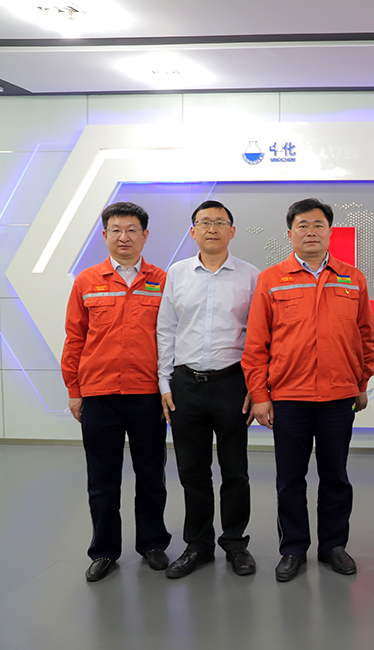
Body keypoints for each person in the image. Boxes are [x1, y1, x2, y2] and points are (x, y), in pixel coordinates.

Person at [242, 198, 374, 582]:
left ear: (330, 232)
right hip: (289, 397)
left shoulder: (352, 278)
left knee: (336, 477)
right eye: (303, 226)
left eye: (318, 225)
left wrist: (361, 382)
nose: (311, 232)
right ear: (290, 234)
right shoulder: (272, 279)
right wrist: (260, 395)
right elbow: (256, 343)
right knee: (290, 479)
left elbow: (367, 336)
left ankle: (333, 546)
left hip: (338, 397)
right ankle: (293, 549)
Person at [61, 201, 172, 582]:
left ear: (145, 235)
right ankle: (104, 550)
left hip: (147, 394)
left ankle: (153, 543)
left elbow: (171, 338)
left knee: (151, 475)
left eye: (131, 230)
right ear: (105, 235)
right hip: (99, 394)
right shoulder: (87, 281)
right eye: (115, 230)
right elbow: (75, 339)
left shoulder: (162, 280)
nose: (124, 237)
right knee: (102, 478)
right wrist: (74, 390)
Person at [156, 200, 260, 579]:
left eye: (219, 222)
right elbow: (166, 330)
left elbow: (259, 335)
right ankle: (198, 545)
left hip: (232, 384)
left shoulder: (251, 276)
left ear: (232, 231)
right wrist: (164, 382)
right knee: (192, 471)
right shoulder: (177, 274)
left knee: (235, 471)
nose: (212, 228)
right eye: (204, 222)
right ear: (193, 231)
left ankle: (235, 543)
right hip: (185, 385)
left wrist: (256, 385)